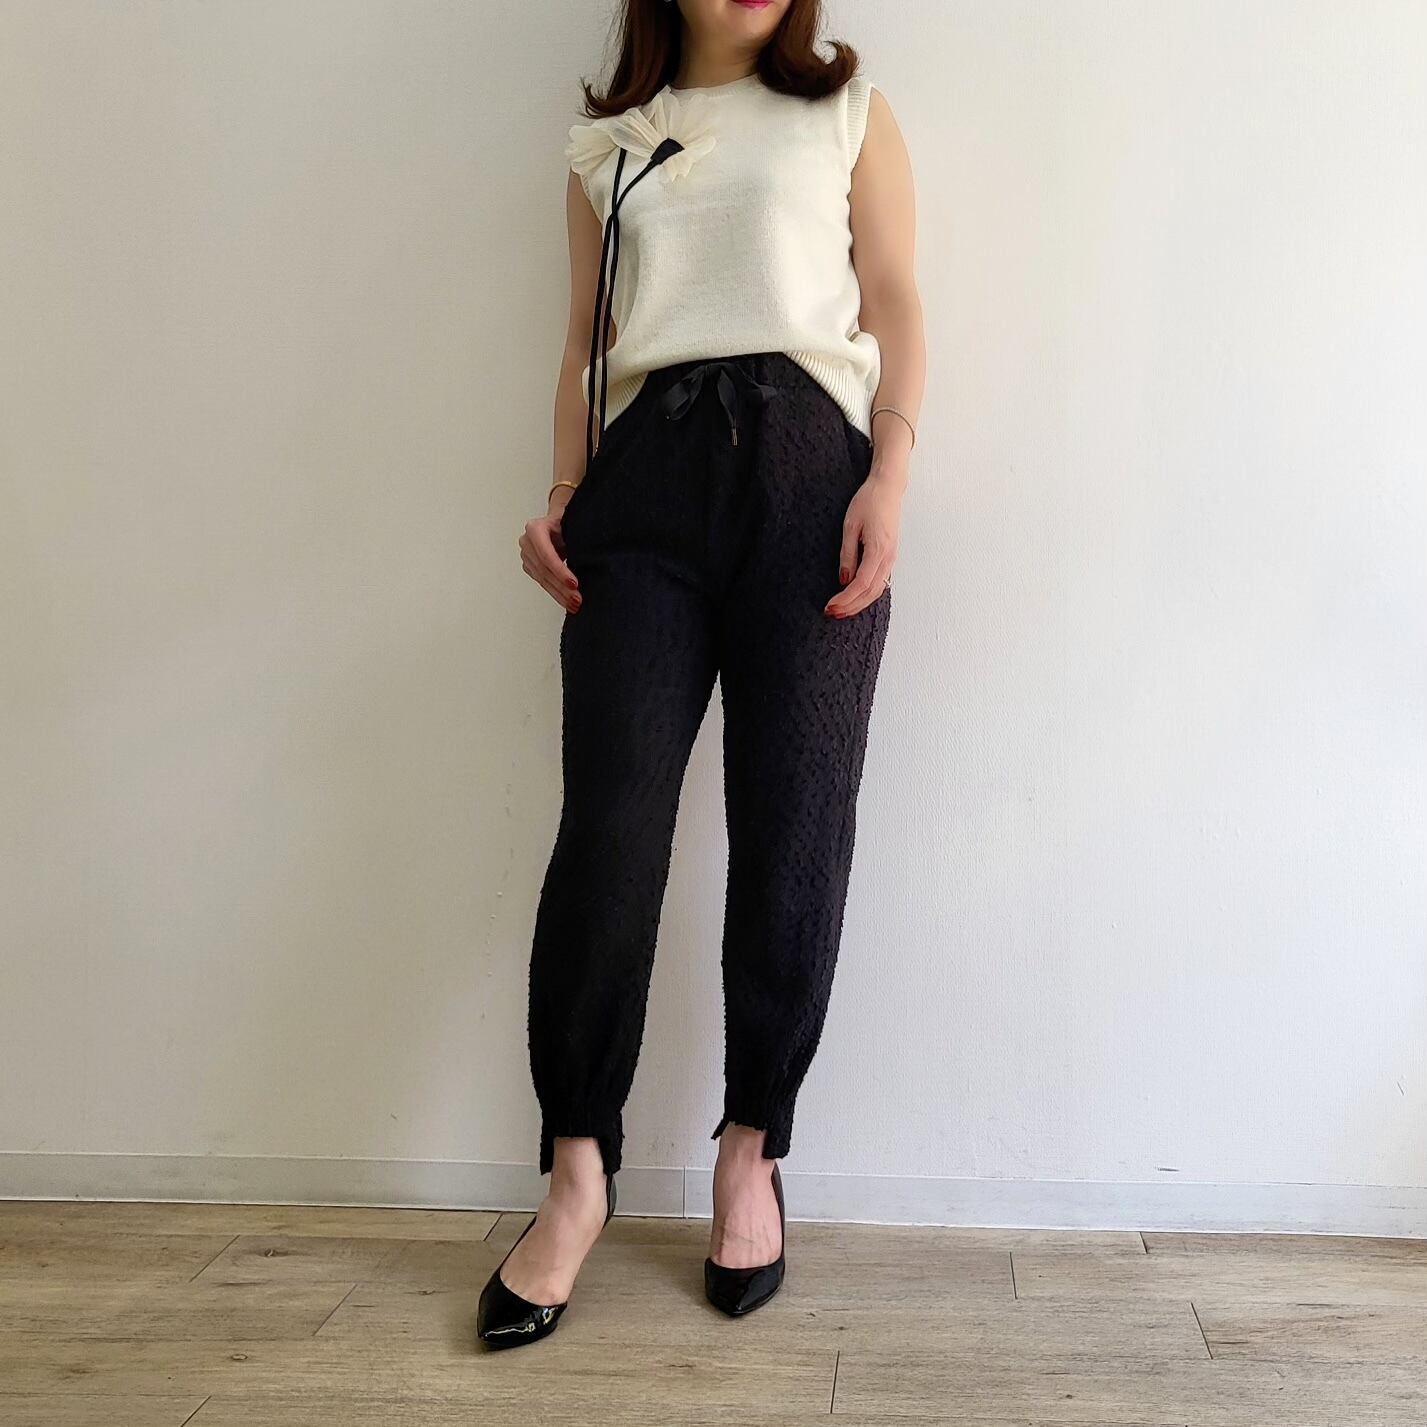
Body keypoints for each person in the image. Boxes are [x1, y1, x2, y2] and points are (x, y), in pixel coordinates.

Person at [480, 0, 923, 1348]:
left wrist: (891, 475)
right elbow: (584, 340)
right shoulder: (607, 143)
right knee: (610, 833)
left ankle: (752, 1150)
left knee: (795, 826)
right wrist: (562, 495)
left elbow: (896, 298)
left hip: (812, 482)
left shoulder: (847, 113)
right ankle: (576, 1175)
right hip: (644, 495)